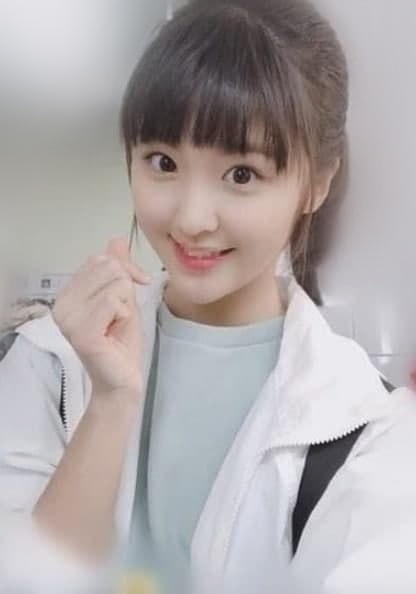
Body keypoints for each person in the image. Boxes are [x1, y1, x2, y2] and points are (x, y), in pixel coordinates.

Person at [1, 1, 416, 593]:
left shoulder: (370, 432)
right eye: (163, 162)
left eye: (242, 174)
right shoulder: (49, 363)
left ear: (317, 184)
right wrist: (110, 405)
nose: (192, 219)